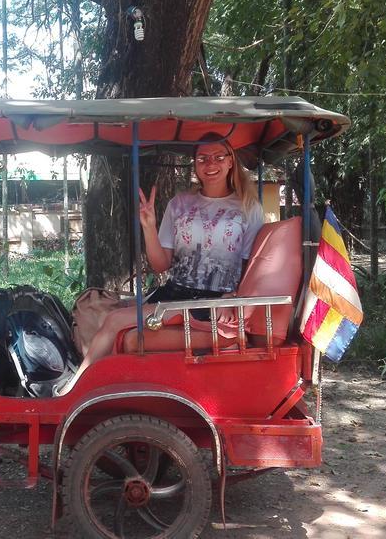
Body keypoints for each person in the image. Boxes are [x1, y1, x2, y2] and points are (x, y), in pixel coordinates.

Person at [58, 135, 263, 394]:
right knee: (113, 319)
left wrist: (233, 295)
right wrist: (149, 227)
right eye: (202, 158)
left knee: (115, 322)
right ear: (195, 164)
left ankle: (78, 389)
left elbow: (253, 265)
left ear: (231, 161)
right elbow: (160, 264)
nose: (210, 164)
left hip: (213, 302)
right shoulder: (180, 204)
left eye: (218, 157)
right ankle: (82, 387)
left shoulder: (247, 207)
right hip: (176, 294)